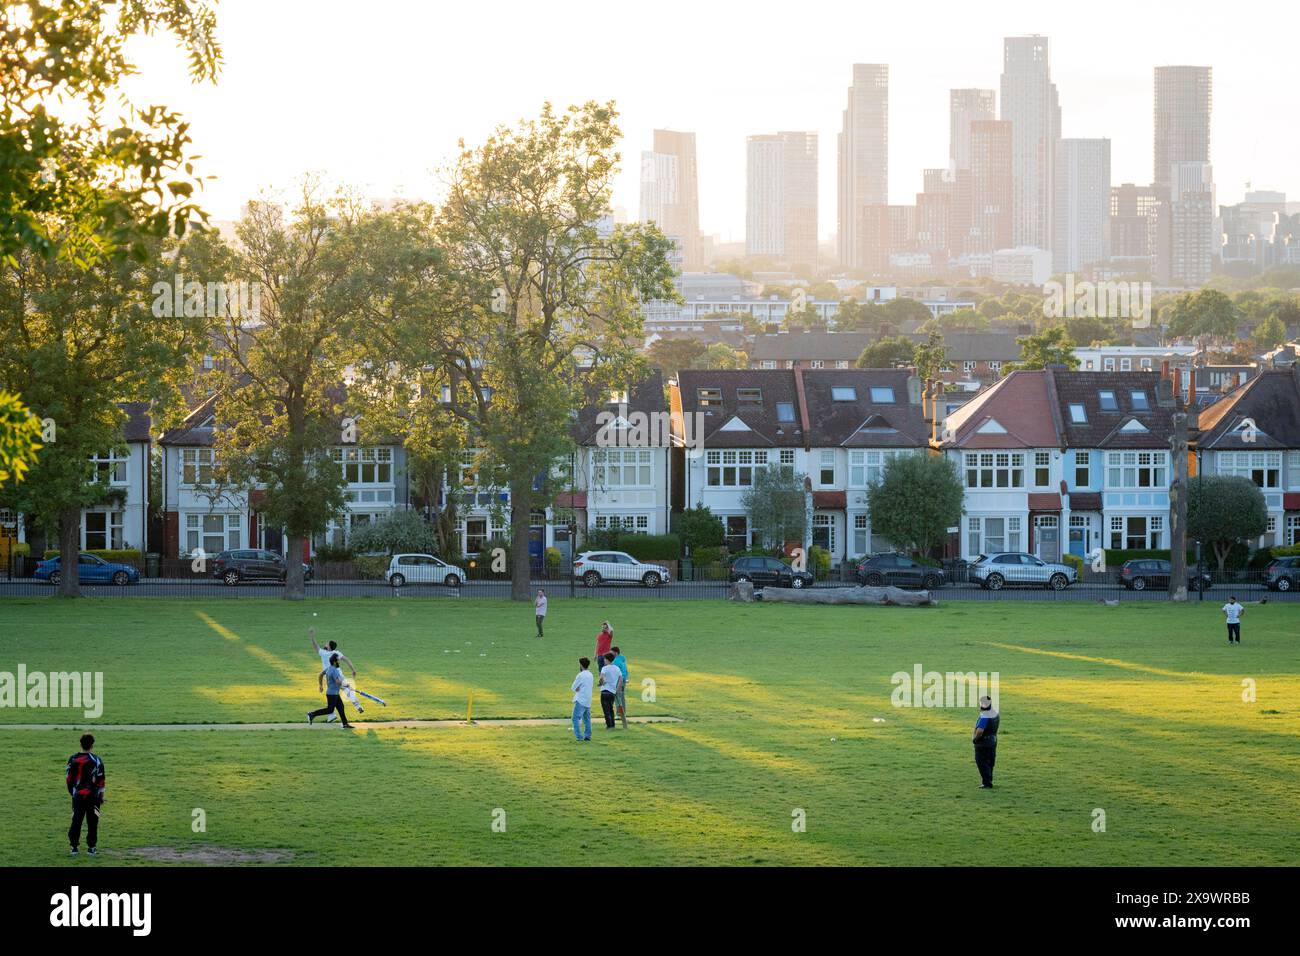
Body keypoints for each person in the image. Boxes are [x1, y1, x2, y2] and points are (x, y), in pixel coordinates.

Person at [66, 733, 105, 856]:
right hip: (93, 797)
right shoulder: (97, 760)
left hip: (77, 796)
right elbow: (101, 781)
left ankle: (74, 848)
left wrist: (73, 793)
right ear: (92, 745)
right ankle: (91, 848)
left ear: (80, 744)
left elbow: (69, 779)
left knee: (76, 821)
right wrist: (101, 797)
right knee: (93, 822)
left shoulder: (73, 759)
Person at [310, 627, 362, 717]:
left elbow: (315, 646)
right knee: (347, 691)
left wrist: (312, 637)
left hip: (331, 678)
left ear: (329, 647)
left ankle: (331, 715)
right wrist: (353, 670)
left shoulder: (323, 653)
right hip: (338, 676)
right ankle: (358, 707)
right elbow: (347, 660)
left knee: (332, 695)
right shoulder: (336, 653)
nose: (325, 644)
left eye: (327, 643)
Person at [308, 653, 353, 728]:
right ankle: (312, 714)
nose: (339, 661)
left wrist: (320, 685)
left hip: (334, 693)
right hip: (332, 694)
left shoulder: (329, 668)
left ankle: (345, 724)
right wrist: (346, 685)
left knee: (341, 707)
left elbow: (320, 674)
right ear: (335, 662)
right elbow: (337, 681)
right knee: (330, 710)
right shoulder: (334, 670)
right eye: (338, 660)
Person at [973, 696, 999, 789]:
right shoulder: (995, 713)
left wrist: (975, 739)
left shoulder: (985, 715)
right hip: (993, 741)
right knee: (990, 762)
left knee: (982, 762)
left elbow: (980, 731)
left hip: (983, 743)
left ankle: (987, 783)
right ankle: (989, 780)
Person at [598, 653, 623, 730]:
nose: (604, 660)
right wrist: (617, 689)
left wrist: (600, 683)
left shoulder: (604, 668)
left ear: (607, 659)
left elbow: (601, 679)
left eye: (605, 659)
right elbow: (621, 680)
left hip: (604, 691)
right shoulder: (617, 668)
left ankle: (609, 725)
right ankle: (613, 724)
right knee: (611, 709)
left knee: (606, 710)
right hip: (612, 691)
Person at [571, 658, 593, 742]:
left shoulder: (580, 675)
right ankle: (588, 736)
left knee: (575, 718)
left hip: (580, 699)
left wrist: (578, 688)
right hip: (588, 700)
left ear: (581, 665)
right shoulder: (590, 674)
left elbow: (573, 687)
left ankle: (579, 737)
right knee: (587, 719)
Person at [610, 646, 629, 727]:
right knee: (621, 696)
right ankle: (622, 713)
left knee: (618, 697)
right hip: (624, 679)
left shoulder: (616, 661)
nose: (610, 653)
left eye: (612, 652)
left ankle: (620, 714)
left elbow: (614, 672)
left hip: (619, 680)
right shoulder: (622, 658)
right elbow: (626, 669)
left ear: (616, 652)